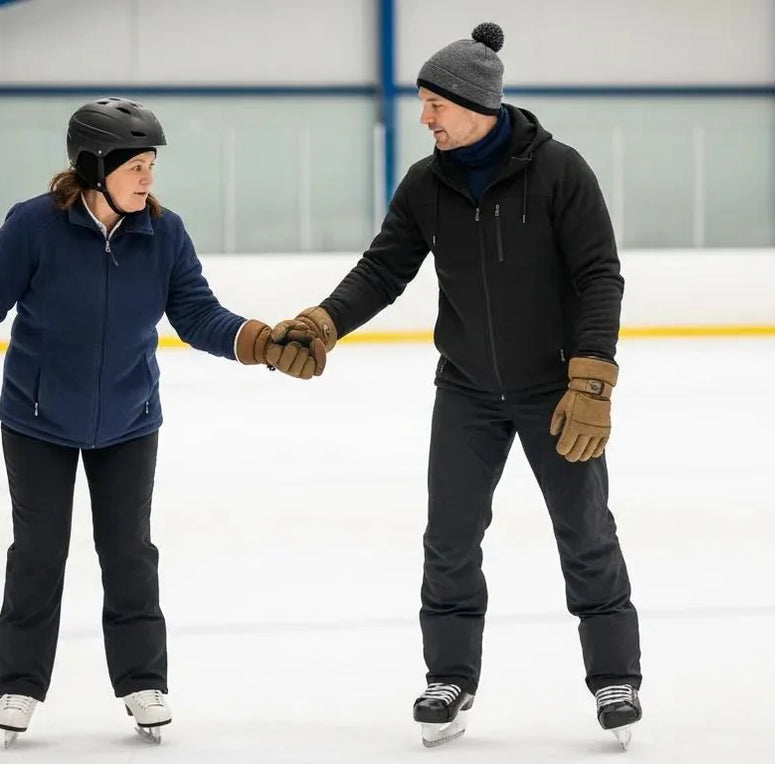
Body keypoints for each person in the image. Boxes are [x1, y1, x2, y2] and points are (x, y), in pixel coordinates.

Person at [270, 22, 642, 749]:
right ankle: (449, 679)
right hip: (467, 388)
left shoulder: (561, 172)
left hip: (554, 390)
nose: (424, 118)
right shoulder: (426, 183)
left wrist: (592, 376)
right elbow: (384, 269)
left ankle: (614, 679)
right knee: (449, 539)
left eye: (434, 104)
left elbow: (600, 274)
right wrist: (323, 323)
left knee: (586, 534)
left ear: (475, 104)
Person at [0, 97, 323, 748]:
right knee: (39, 555)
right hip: (37, 420)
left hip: (130, 421)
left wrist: (262, 343)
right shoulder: (34, 228)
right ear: (94, 166)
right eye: (137, 165)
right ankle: (19, 683)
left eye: (152, 164)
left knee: (130, 554)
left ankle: (141, 682)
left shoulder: (164, 235)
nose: (149, 177)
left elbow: (198, 316)